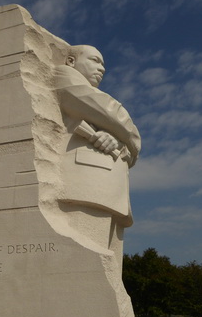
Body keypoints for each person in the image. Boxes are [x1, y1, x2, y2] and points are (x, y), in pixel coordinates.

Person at [53, 45, 141, 262]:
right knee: (85, 263)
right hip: (87, 183)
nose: (101, 68)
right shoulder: (63, 77)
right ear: (71, 61)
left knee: (107, 263)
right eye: (95, 60)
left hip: (107, 184)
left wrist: (120, 142)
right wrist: (128, 137)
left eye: (103, 64)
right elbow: (116, 117)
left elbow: (132, 147)